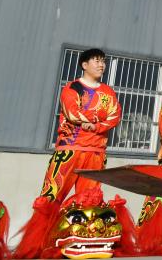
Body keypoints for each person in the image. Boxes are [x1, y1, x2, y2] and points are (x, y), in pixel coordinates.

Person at [38, 48, 121, 201]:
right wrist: (99, 116)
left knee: (89, 201)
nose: (101, 65)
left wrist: (96, 126)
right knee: (51, 197)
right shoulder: (72, 87)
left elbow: (114, 116)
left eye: (103, 61)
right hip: (70, 150)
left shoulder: (108, 92)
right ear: (84, 65)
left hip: (96, 153)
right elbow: (72, 113)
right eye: (97, 61)